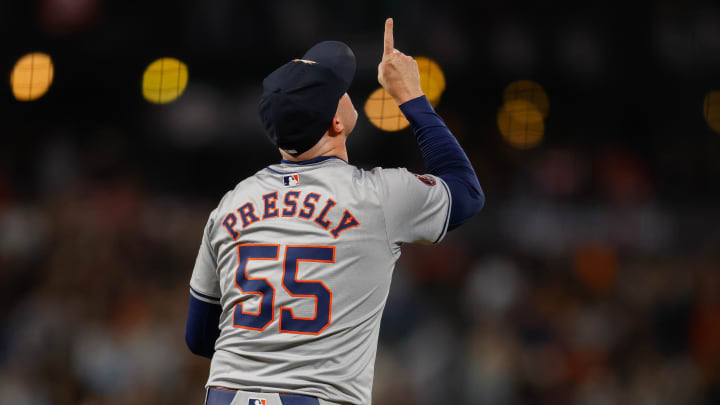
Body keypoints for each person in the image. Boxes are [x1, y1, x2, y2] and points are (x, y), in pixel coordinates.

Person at [185, 18, 484, 405]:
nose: (349, 91)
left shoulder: (231, 203)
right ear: (337, 122)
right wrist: (411, 96)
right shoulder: (375, 196)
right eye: (341, 90)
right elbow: (466, 191)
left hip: (227, 396)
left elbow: (199, 337)